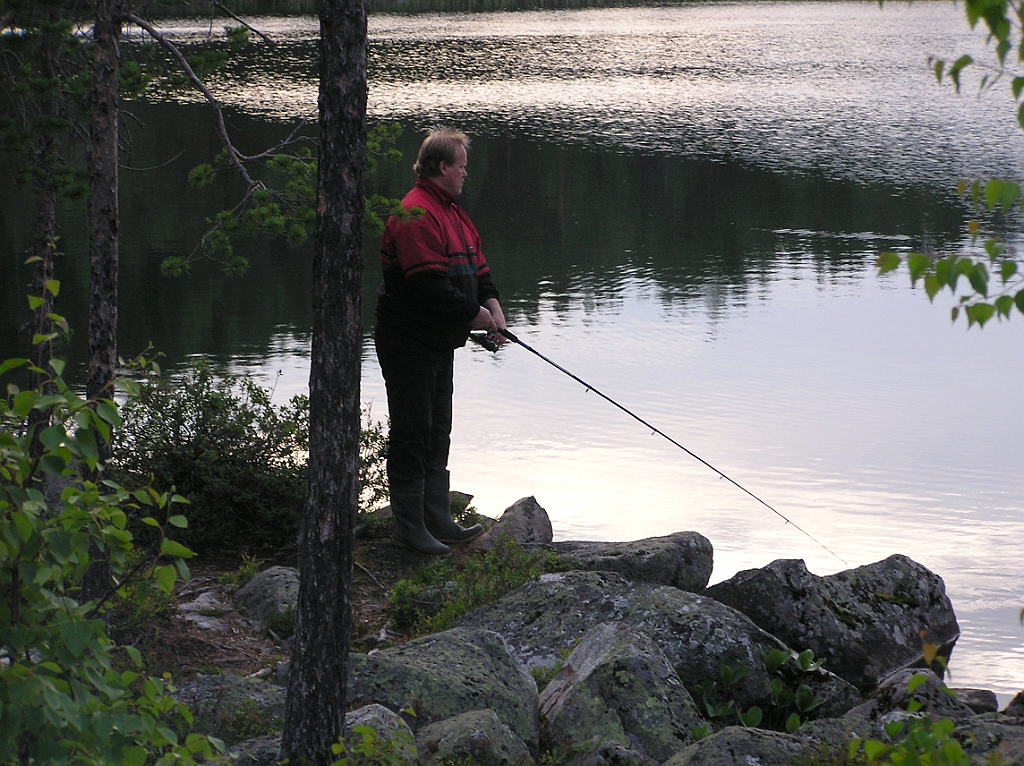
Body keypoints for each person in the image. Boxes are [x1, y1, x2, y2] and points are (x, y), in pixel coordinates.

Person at [374, 126, 507, 556]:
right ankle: (409, 527)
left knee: (437, 429)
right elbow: (427, 285)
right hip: (407, 340)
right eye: (462, 166)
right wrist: (476, 316)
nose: (466, 173)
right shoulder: (415, 212)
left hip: (438, 341)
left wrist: (492, 305)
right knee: (412, 432)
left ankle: (437, 518)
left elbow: (478, 269)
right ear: (442, 167)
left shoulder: (453, 213)